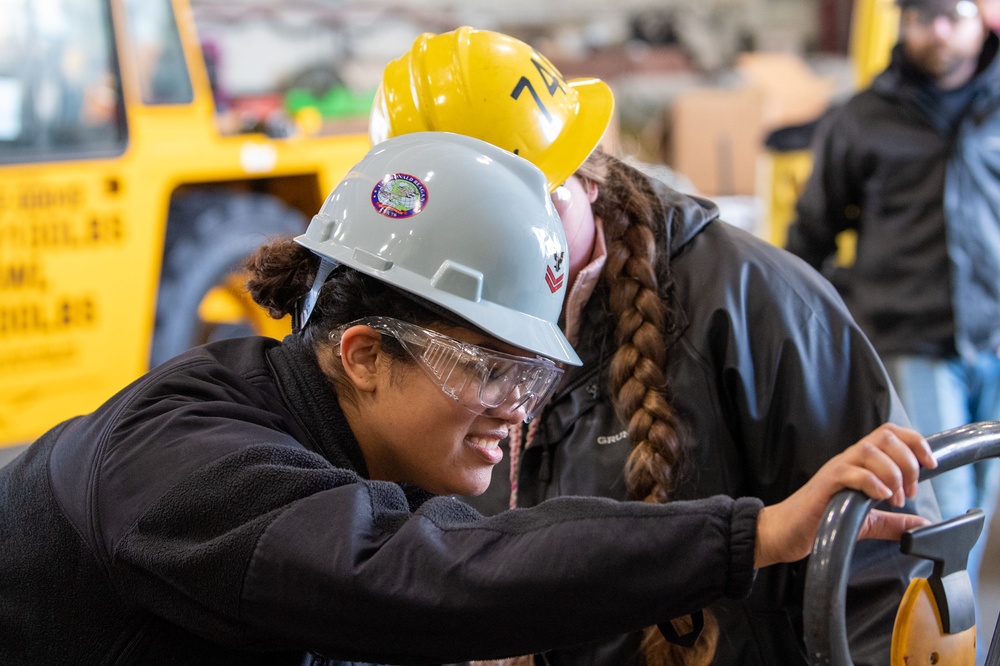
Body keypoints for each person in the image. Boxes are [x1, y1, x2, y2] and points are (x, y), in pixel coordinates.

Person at [0, 131, 937, 665]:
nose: (518, 413)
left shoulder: (332, 444)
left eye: (530, 379)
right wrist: (757, 533)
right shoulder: (185, 460)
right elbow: (428, 570)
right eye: (488, 372)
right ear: (364, 354)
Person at [370, 27, 943, 666]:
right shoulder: (423, 321)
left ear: (587, 176)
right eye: (464, 240)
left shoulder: (754, 305)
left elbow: (884, 561)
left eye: (524, 222)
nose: (501, 266)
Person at [784, 0, 1000, 623]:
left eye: (951, 15)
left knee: (982, 498)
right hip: (913, 339)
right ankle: (948, 642)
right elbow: (813, 234)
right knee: (947, 506)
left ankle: (951, 630)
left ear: (980, 18)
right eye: (921, 15)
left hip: (993, 337)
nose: (936, 30)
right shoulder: (863, 118)